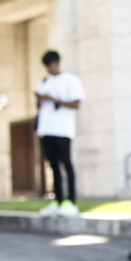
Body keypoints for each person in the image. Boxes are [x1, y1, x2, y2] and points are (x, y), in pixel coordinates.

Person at [36, 50, 84, 216]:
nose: (49, 69)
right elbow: (38, 104)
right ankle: (57, 201)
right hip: (46, 129)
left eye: (51, 64)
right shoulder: (44, 82)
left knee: (66, 164)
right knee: (54, 166)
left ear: (57, 62)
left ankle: (71, 201)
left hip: (63, 130)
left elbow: (77, 103)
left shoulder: (71, 80)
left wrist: (55, 99)